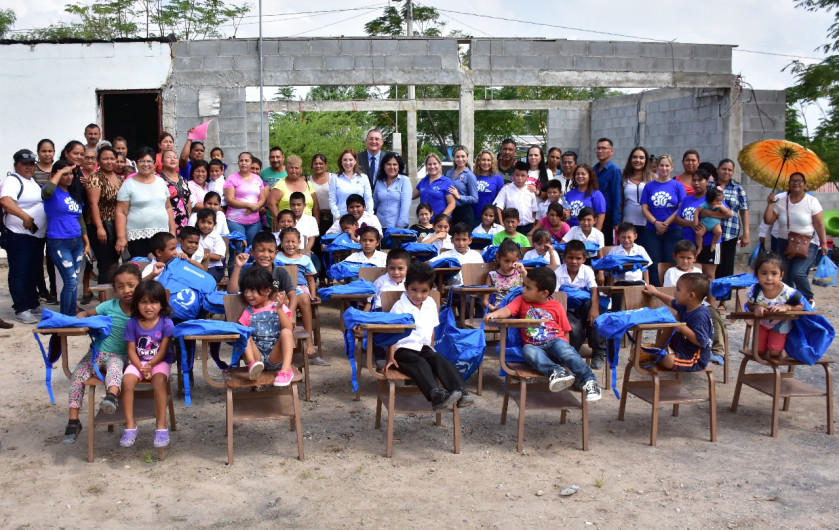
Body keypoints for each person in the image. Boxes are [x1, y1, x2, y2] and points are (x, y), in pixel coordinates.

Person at [484, 267, 602, 401]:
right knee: (527, 350)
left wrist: (564, 349)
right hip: (535, 346)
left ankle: (589, 380)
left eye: (528, 288)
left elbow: (566, 330)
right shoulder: (521, 301)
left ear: (544, 293)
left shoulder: (556, 306)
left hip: (555, 341)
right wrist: (494, 314)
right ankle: (556, 372)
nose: (523, 290)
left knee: (565, 350)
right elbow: (507, 310)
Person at [63, 263, 141, 443]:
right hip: (96, 354)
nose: (126, 290)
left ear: (139, 285)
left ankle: (111, 397)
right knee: (77, 377)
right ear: (115, 289)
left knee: (115, 369)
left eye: (131, 285)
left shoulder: (142, 309)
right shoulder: (109, 306)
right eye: (120, 287)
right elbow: (86, 313)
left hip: (119, 355)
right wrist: (80, 320)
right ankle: (73, 421)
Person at [386, 262, 473, 410]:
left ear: (431, 288)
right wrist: (390, 356)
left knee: (439, 360)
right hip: (403, 350)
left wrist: (432, 350)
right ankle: (436, 395)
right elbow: (392, 333)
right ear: (406, 286)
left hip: (424, 347)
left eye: (424, 291)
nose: (418, 295)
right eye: (414, 290)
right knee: (419, 362)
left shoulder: (431, 303)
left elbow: (432, 330)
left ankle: (461, 392)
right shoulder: (399, 306)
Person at [119, 280, 175, 449]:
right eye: (143, 302)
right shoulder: (132, 323)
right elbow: (130, 350)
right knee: (127, 381)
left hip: (159, 362)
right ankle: (130, 425)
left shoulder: (166, 323)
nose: (149, 307)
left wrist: (150, 365)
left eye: (154, 302)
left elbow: (163, 350)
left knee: (159, 382)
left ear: (161, 304)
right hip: (137, 362)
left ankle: (161, 427)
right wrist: (142, 367)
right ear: (136, 304)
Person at [763, 172, 828, 306]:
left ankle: (808, 298)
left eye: (799, 181)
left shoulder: (811, 201)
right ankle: (791, 300)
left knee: (798, 273)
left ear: (805, 185)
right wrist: (770, 203)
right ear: (788, 184)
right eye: (792, 181)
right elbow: (768, 220)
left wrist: (824, 242)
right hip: (784, 243)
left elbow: (819, 224)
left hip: (807, 243)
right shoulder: (781, 200)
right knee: (785, 274)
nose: (796, 183)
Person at [2, 149, 47, 323]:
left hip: (35, 236)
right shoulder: (13, 180)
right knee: (19, 272)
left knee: (32, 271)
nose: (29, 167)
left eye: (31, 164)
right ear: (16, 165)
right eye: (24, 164)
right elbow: (5, 201)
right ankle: (21, 308)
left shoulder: (31, 182)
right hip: (19, 235)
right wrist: (25, 217)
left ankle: (32, 302)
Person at [42, 161, 92, 316]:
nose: (69, 176)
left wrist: (87, 242)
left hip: (76, 242)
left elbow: (80, 219)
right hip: (59, 241)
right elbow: (47, 191)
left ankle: (70, 315)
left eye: (71, 173)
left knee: (74, 280)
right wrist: (59, 171)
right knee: (70, 281)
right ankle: (66, 317)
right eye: (65, 174)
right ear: (55, 174)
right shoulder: (50, 192)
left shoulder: (74, 194)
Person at [237, 266, 296, 386]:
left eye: (252, 290)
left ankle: (285, 371)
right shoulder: (248, 311)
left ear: (267, 291)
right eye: (245, 290)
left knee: (286, 332)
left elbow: (289, 327)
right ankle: (251, 365)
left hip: (276, 356)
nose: (248, 294)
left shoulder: (278, 306)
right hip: (257, 357)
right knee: (244, 333)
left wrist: (279, 309)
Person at [642, 273, 713, 372]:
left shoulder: (700, 315)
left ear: (691, 296)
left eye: (678, 290)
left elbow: (701, 341)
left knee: (668, 360)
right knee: (673, 319)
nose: (675, 293)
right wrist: (655, 292)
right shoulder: (687, 306)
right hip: (680, 350)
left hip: (694, 359)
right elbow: (671, 301)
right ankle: (656, 349)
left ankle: (655, 356)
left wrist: (682, 328)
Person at [115, 147, 177, 259]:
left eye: (149, 161)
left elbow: (168, 208)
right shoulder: (128, 184)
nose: (145, 164)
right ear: (136, 163)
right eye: (142, 161)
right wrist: (121, 237)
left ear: (154, 163)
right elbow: (121, 212)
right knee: (141, 268)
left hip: (161, 236)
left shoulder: (161, 182)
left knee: (162, 267)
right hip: (137, 237)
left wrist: (172, 232)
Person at [555, 239, 607, 369]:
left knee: (596, 318)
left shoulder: (587, 271)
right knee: (575, 329)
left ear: (584, 259)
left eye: (578, 258)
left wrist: (594, 309)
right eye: (570, 258)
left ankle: (599, 352)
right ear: (564, 258)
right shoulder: (558, 272)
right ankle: (571, 355)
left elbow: (594, 290)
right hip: (566, 308)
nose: (574, 261)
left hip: (584, 308)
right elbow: (555, 295)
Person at [674, 168, 732, 282]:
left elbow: (727, 214)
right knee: (692, 278)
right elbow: (677, 219)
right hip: (689, 244)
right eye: (694, 180)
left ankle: (710, 301)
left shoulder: (712, 197)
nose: (696, 183)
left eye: (700, 180)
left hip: (709, 244)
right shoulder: (687, 199)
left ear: (707, 181)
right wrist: (691, 224)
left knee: (709, 277)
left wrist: (707, 213)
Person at [227, 233, 298, 324]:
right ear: (252, 252)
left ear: (276, 253)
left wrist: (290, 314)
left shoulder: (280, 273)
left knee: (283, 300)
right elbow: (232, 291)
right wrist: (238, 266)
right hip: (252, 319)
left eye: (270, 251)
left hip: (276, 320)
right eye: (261, 250)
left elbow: (293, 296)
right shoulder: (248, 272)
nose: (266, 255)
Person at [745, 252, 805, 358]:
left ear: (781, 275)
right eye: (764, 273)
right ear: (756, 275)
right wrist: (757, 307)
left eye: (774, 273)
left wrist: (786, 307)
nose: (769, 278)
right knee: (759, 352)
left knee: (774, 353)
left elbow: (801, 306)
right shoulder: (755, 291)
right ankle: (767, 348)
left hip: (780, 324)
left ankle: (780, 348)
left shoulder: (788, 292)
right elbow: (749, 305)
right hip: (762, 323)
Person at [640, 154, 685, 286]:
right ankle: (656, 292)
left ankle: (670, 291)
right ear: (657, 167)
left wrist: (665, 224)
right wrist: (656, 223)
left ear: (671, 168)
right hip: (652, 230)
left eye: (667, 166)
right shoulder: (649, 186)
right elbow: (644, 208)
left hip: (672, 230)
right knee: (654, 264)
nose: (664, 168)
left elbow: (680, 207)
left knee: (670, 262)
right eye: (661, 165)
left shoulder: (678, 186)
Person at [275, 227, 319, 358]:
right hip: (281, 288)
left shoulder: (304, 259)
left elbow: (310, 279)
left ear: (299, 243)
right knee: (286, 301)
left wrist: (313, 294)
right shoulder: (277, 257)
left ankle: (309, 340)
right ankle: (290, 339)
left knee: (305, 299)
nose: (290, 244)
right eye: (287, 241)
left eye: (293, 241)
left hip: (300, 287)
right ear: (281, 242)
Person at [713, 158, 750, 311]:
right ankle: (710, 298)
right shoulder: (710, 185)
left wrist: (746, 231)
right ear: (718, 169)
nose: (726, 172)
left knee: (726, 267)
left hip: (730, 232)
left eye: (730, 170)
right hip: (712, 233)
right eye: (724, 169)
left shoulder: (738, 188)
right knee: (711, 267)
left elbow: (744, 210)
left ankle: (723, 301)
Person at [85, 147, 122, 285]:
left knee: (114, 263)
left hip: (115, 224)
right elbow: (93, 204)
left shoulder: (119, 178)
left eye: (112, 158)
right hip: (99, 224)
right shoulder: (95, 178)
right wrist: (100, 228)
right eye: (105, 159)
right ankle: (104, 300)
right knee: (105, 264)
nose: (109, 161)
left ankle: (113, 296)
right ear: (99, 161)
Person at [224, 151, 267, 246]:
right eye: (241, 161)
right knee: (239, 248)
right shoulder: (231, 179)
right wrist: (249, 205)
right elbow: (230, 200)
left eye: (246, 161)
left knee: (253, 250)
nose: (243, 163)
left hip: (254, 222)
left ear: (251, 163)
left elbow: (262, 198)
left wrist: (255, 207)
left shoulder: (258, 179)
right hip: (235, 221)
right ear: (238, 163)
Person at [267, 155, 318, 228]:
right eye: (291, 168)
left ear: (301, 169)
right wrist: (281, 221)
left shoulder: (308, 184)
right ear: (286, 169)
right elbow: (271, 204)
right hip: (287, 227)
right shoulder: (280, 185)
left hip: (307, 226)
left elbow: (316, 205)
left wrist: (316, 224)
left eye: (296, 168)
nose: (294, 171)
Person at [621, 147, 654, 249]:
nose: (637, 160)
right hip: (628, 223)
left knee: (646, 254)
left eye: (641, 158)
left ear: (646, 160)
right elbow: (621, 201)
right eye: (635, 157)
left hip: (647, 223)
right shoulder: (624, 178)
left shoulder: (653, 178)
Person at [493, 161, 538, 234]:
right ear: (513, 176)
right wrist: (502, 224)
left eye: (523, 175)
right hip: (511, 227)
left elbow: (534, 210)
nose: (520, 178)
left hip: (528, 227)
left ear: (527, 177)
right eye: (517, 175)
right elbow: (498, 207)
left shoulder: (530, 190)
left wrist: (533, 226)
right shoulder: (506, 189)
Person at [372, 152, 412, 230]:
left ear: (399, 167)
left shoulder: (404, 180)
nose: (391, 167)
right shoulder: (379, 181)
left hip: (397, 226)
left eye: (395, 164)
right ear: (384, 166)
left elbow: (405, 205)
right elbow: (374, 203)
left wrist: (400, 226)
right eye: (388, 164)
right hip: (379, 225)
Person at [329, 149, 374, 218]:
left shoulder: (363, 178)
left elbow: (368, 199)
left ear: (355, 161)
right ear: (341, 162)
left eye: (350, 160)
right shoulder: (335, 178)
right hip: (342, 218)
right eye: (345, 160)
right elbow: (332, 201)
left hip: (360, 218)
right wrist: (337, 216)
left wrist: (369, 215)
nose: (348, 163)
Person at [593, 138, 622, 245]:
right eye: (598, 148)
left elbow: (616, 197)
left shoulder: (614, 170)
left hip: (608, 216)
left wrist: (616, 221)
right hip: (593, 215)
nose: (600, 151)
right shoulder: (593, 170)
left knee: (605, 246)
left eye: (604, 148)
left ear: (611, 151)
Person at [483, 239, 525, 312]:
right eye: (506, 261)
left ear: (517, 259)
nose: (510, 265)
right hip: (499, 311)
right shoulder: (492, 275)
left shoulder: (520, 273)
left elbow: (531, 289)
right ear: (498, 258)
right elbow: (484, 301)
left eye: (514, 261)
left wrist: (524, 272)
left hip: (517, 310)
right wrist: (492, 308)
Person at [445, 145, 479, 227]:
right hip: (450, 211)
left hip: (464, 213)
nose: (460, 159)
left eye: (463, 156)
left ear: (467, 157)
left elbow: (475, 198)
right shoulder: (449, 173)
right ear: (453, 158)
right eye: (457, 157)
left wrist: (459, 196)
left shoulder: (470, 175)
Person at [414, 153, 455, 219]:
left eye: (435, 164)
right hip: (424, 222)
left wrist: (441, 219)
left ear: (440, 165)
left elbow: (452, 203)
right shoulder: (423, 181)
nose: (432, 166)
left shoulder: (447, 182)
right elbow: (411, 196)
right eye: (429, 164)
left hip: (440, 225)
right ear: (426, 166)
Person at [565, 164, 606, 229]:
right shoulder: (568, 194)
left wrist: (596, 234)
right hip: (570, 232)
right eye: (577, 174)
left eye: (583, 174)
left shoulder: (597, 194)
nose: (580, 176)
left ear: (590, 176)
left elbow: (601, 215)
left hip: (588, 232)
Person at [158, 149, 191, 229]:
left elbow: (188, 201)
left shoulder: (183, 179)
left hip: (184, 223)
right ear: (162, 161)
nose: (172, 159)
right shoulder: (157, 179)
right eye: (169, 157)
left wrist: (188, 216)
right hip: (165, 223)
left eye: (175, 157)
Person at [472, 150, 505, 228]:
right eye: (483, 160)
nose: (486, 162)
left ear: (492, 162)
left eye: (488, 160)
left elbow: (502, 199)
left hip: (490, 217)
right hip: (474, 216)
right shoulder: (473, 176)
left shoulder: (497, 178)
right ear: (479, 161)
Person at [195, 208, 226, 281]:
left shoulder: (216, 238)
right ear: (198, 222)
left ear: (214, 224)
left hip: (214, 267)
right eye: (202, 222)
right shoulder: (195, 235)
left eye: (209, 223)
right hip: (196, 266)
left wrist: (202, 254)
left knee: (205, 279)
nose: (205, 225)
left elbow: (218, 257)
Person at [309, 153, 334, 235]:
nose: (318, 166)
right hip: (314, 216)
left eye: (321, 163)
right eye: (315, 163)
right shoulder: (307, 180)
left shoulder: (333, 178)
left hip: (332, 217)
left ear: (326, 165)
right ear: (312, 165)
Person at [694, 187, 725, 255]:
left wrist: (720, 207)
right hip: (704, 223)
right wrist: (696, 220)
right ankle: (700, 246)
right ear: (710, 200)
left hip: (715, 223)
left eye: (721, 200)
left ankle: (713, 243)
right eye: (717, 201)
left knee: (719, 231)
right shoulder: (705, 204)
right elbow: (696, 211)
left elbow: (727, 212)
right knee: (698, 233)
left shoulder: (720, 205)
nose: (719, 202)